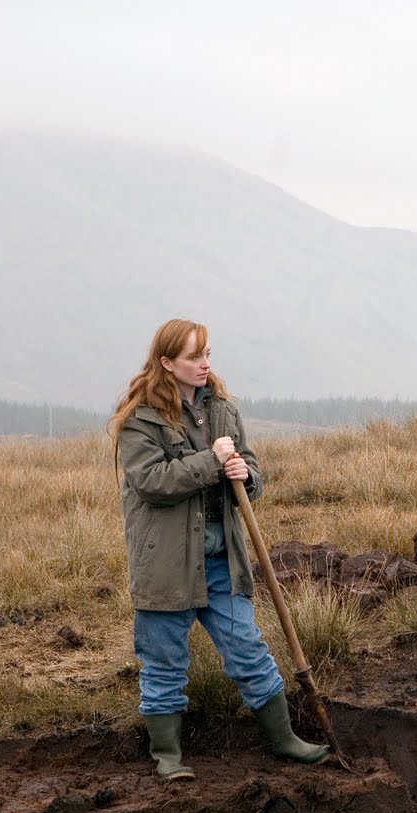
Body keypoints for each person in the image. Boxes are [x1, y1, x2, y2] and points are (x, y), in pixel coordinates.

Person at [107, 318, 329, 779]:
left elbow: (251, 470)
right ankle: (168, 757)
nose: (204, 364)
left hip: (223, 560)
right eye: (193, 356)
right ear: (167, 363)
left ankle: (285, 739)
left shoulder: (223, 410)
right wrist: (212, 460)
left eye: (207, 354)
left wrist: (246, 475)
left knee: (248, 649)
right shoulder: (140, 420)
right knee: (164, 663)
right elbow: (152, 483)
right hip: (165, 564)